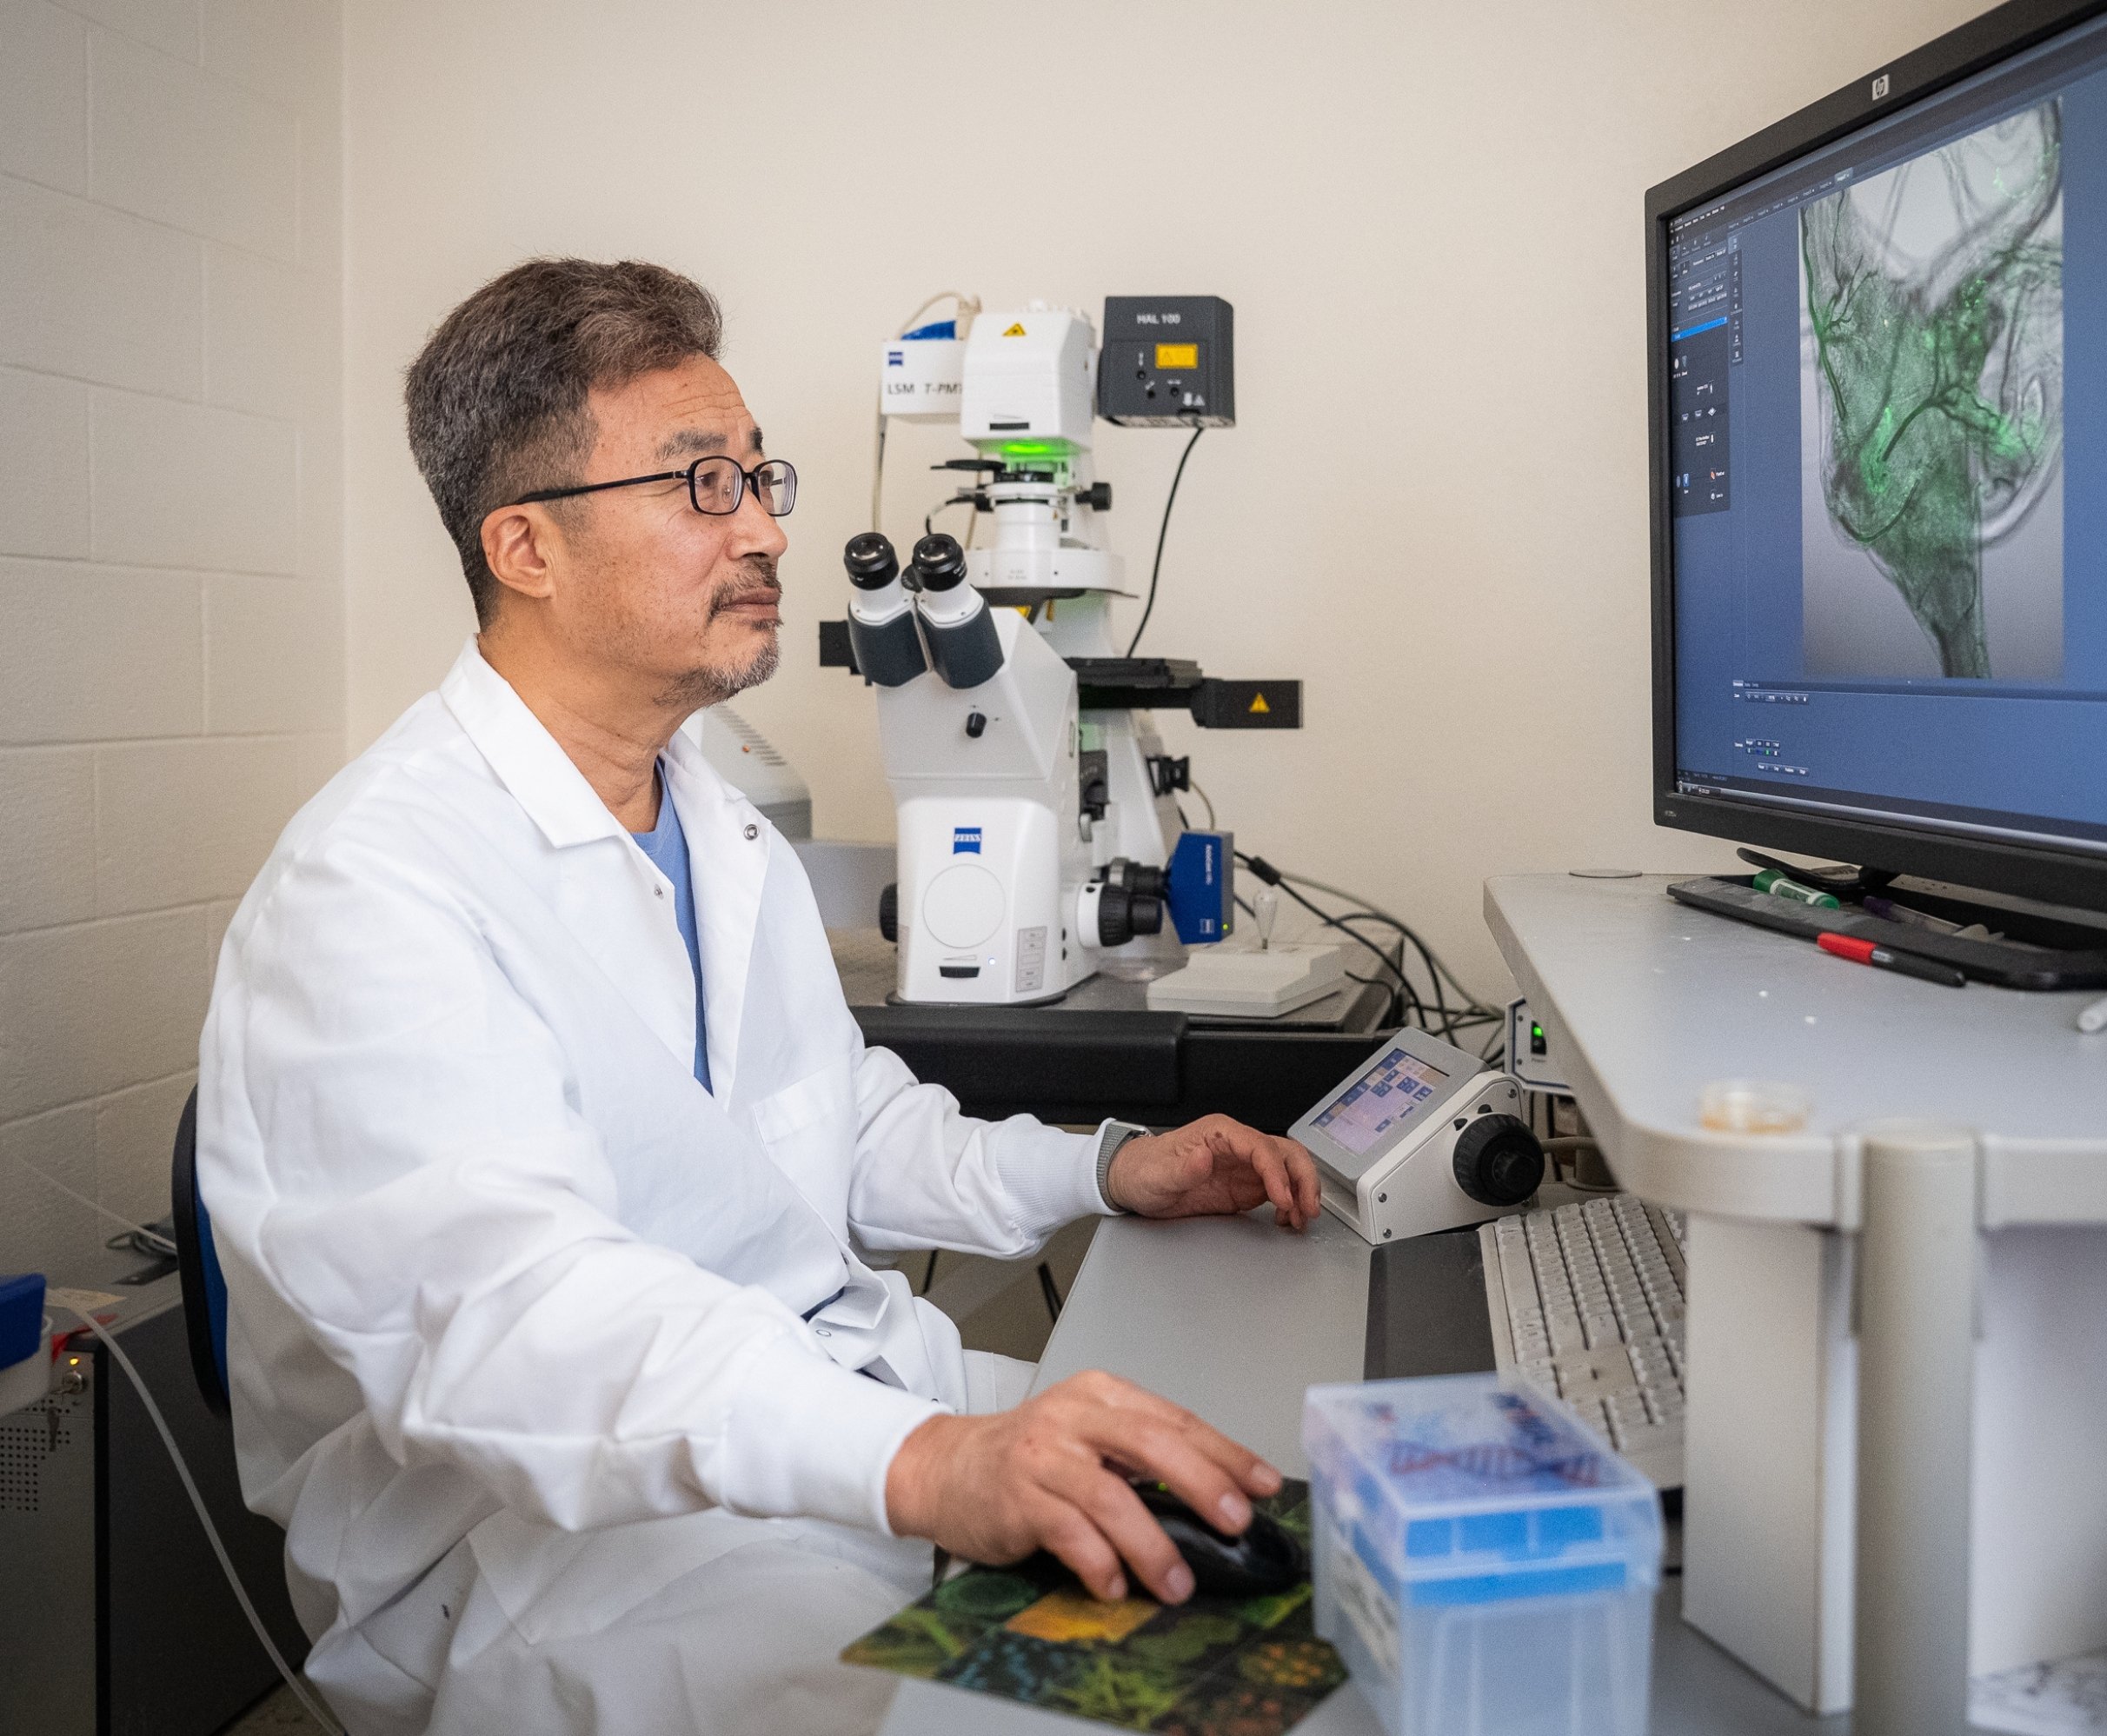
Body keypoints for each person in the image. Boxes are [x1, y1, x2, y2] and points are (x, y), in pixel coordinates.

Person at [196, 258, 1321, 1736]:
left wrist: (1104, 1165)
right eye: (702, 485)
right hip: (550, 1549)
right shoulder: (374, 889)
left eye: (758, 474)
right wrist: (922, 1464)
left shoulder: (713, 817)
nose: (771, 527)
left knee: (1270, 1519)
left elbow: (837, 1122)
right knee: (1071, 1715)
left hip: (817, 1404)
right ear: (525, 547)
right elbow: (522, 1323)